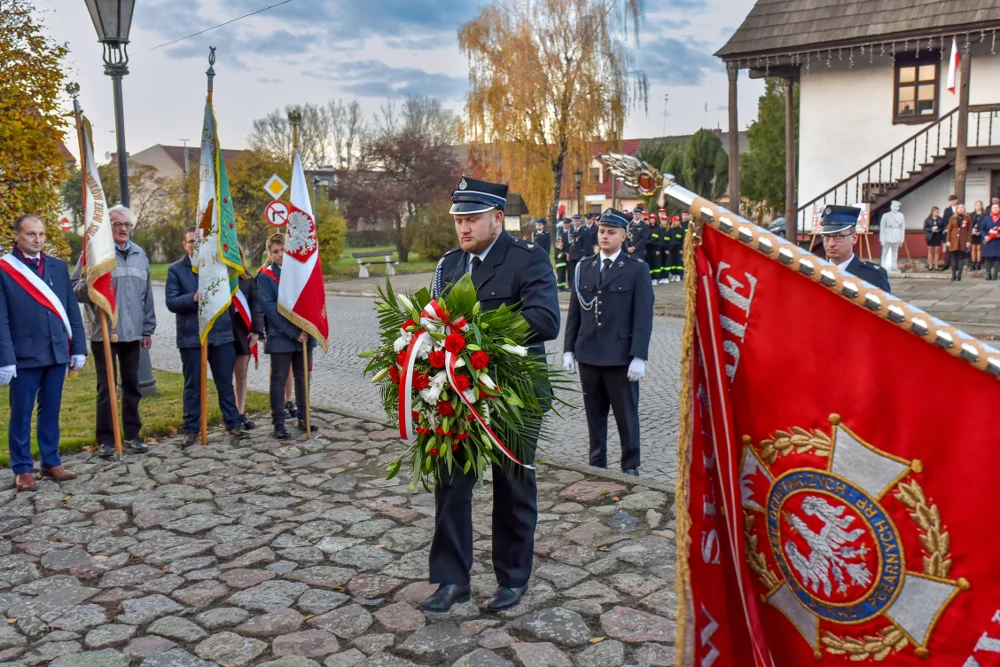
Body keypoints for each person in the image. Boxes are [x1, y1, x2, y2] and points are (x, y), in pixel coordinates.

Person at [423, 175, 559, 614]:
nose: (463, 228)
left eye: (472, 219)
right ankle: (451, 579)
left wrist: (481, 339)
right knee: (450, 482)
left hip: (513, 394)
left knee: (514, 484)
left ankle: (512, 578)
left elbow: (545, 319)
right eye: (459, 219)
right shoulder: (449, 266)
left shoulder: (527, 260)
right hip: (460, 393)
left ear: (497, 219)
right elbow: (434, 321)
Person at [563, 208, 653, 476]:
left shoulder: (636, 269)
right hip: (589, 353)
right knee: (594, 413)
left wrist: (639, 355)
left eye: (611, 232)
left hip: (619, 355)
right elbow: (575, 312)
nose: (604, 236)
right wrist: (569, 348)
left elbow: (643, 316)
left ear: (623, 236)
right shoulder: (584, 267)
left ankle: (630, 464)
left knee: (626, 415)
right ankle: (597, 462)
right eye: (602, 231)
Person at [0, 214, 87, 491]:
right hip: (23, 355)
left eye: (41, 234)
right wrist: (5, 358)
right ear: (16, 235)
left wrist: (79, 348)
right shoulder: (4, 269)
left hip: (56, 350)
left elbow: (70, 309)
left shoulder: (58, 267)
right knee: (21, 413)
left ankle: (51, 461)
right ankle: (23, 468)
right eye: (31, 234)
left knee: (51, 409)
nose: (37, 240)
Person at [72, 205, 155, 458]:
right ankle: (106, 440)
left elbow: (147, 296)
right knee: (106, 388)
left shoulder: (140, 254)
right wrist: (93, 282)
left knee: (132, 386)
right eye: (117, 225)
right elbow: (75, 289)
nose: (123, 229)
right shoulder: (95, 253)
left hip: (132, 333)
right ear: (109, 228)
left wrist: (147, 329)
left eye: (127, 225)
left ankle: (132, 435)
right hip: (104, 332)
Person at [165, 227, 249, 448]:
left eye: (199, 241)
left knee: (224, 383)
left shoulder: (218, 267)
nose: (196, 245)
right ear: (185, 244)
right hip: (192, 337)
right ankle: (191, 428)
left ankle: (233, 424)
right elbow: (171, 302)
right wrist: (192, 298)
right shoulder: (176, 270)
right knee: (193, 385)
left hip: (221, 335)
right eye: (191, 242)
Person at [257, 233, 317, 440]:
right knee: (279, 379)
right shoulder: (265, 277)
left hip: (304, 333)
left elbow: (312, 298)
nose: (280, 255)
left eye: (284, 250)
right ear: (270, 254)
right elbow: (271, 310)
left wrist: (309, 327)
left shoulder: (301, 272)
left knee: (303, 377)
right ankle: (279, 423)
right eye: (275, 252)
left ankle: (303, 417)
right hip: (281, 335)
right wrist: (293, 333)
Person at [230, 246, 264, 430]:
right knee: (225, 376)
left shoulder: (248, 279)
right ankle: (230, 414)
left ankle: (240, 411)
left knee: (241, 374)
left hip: (244, 333)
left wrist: (257, 330)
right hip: (225, 332)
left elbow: (256, 306)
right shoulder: (219, 279)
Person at [819, 205, 891, 292]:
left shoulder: (873, 277)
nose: (831, 244)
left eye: (838, 236)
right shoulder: (817, 273)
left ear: (854, 238)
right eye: (826, 236)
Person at [944, 203, 973, 282]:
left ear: (964, 209)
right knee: (953, 258)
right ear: (956, 209)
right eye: (959, 207)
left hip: (963, 241)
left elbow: (969, 231)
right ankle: (953, 275)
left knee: (961, 258)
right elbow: (949, 230)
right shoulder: (952, 218)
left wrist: (968, 241)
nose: (961, 209)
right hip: (953, 240)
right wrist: (948, 240)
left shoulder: (968, 218)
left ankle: (959, 275)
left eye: (962, 207)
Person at [982, 202, 1000, 280]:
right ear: (991, 209)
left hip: (998, 242)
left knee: (997, 258)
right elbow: (982, 229)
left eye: (997, 208)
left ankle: (995, 275)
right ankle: (988, 274)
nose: (995, 209)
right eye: (993, 208)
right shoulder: (987, 218)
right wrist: (985, 236)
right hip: (989, 241)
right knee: (988, 258)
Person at [923, 206, 945, 272]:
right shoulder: (928, 220)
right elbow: (925, 228)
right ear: (932, 212)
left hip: (937, 236)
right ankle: (930, 266)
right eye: (936, 212)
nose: (937, 213)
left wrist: (938, 229)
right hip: (930, 237)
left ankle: (936, 266)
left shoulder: (940, 219)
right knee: (930, 251)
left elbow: (943, 228)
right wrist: (931, 229)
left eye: (938, 212)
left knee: (937, 251)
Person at [567, 215, 586, 282]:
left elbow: (585, 244)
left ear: (580, 221)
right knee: (572, 271)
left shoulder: (583, 230)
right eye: (574, 221)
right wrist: (568, 253)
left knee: (579, 271)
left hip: (579, 253)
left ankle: (579, 284)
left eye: (577, 221)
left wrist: (584, 254)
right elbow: (569, 243)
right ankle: (572, 285)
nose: (576, 222)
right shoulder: (570, 230)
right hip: (572, 253)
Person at [668, 215, 685, 282]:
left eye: (678, 221)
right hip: (672, 248)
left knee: (679, 262)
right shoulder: (670, 230)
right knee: (672, 262)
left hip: (678, 248)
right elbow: (668, 239)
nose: (677, 222)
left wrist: (682, 249)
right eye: (675, 221)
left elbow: (683, 240)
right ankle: (673, 274)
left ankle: (678, 275)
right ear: (673, 221)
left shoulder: (681, 230)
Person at [648, 213, 664, 283]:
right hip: (648, 249)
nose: (652, 220)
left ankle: (655, 278)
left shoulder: (658, 229)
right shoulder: (647, 228)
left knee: (656, 264)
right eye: (651, 219)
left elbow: (660, 240)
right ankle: (650, 278)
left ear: (655, 220)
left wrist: (658, 249)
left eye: (653, 219)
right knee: (649, 263)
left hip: (655, 249)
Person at [970, 200, 986, 270]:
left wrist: (980, 231)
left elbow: (985, 224)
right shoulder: (972, 214)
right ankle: (973, 263)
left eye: (979, 205)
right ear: (975, 206)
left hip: (980, 233)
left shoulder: (985, 215)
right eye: (977, 205)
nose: (978, 206)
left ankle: (978, 263)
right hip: (973, 233)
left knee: (979, 248)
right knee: (973, 248)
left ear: (982, 206)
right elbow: (970, 224)